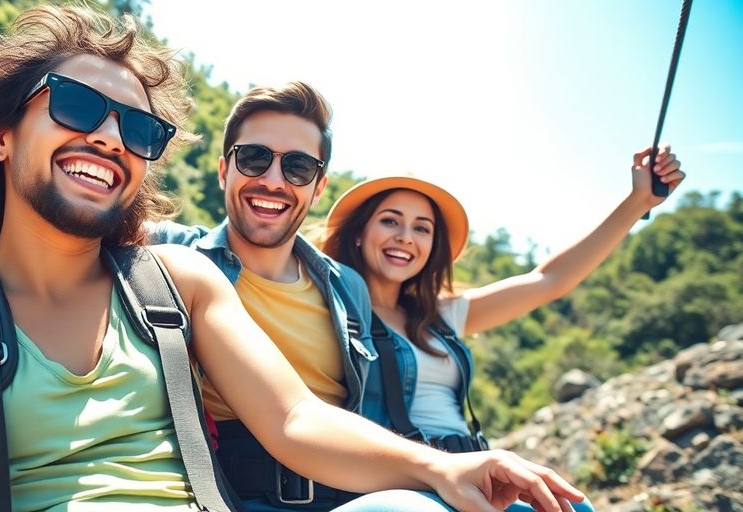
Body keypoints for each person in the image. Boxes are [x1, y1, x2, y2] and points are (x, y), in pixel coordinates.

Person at [0, 6, 587, 511]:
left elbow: (293, 421)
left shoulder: (180, 284)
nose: (106, 136)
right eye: (72, 104)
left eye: (136, 127)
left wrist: (446, 468)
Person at [150, 83, 582, 512]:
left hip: (356, 493)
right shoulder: (173, 254)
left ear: (318, 189)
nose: (273, 180)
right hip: (234, 493)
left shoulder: (346, 289)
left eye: (298, 168)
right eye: (254, 158)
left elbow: (546, 281)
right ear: (224, 170)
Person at [319, 147, 684, 512]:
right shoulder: (334, 308)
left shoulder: (443, 316)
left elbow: (549, 279)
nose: (406, 237)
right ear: (358, 233)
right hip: (403, 482)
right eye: (389, 221)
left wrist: (638, 201)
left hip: (473, 472)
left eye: (422, 228)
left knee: (575, 506)